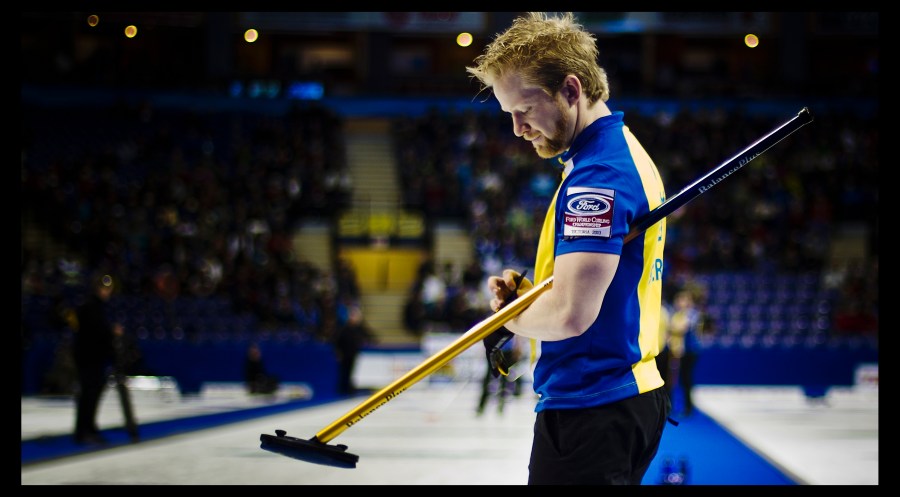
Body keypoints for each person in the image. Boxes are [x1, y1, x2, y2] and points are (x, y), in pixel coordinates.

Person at [467, 12, 672, 485]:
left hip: (593, 406)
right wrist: (532, 295)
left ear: (572, 90)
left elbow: (569, 317)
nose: (517, 128)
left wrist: (511, 315)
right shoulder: (607, 156)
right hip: (611, 399)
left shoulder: (599, 177)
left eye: (525, 110)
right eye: (508, 115)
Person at [72, 272, 123, 445]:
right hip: (89, 357)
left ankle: (89, 427)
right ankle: (83, 430)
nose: (106, 292)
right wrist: (111, 332)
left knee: (91, 394)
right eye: (103, 288)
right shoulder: (90, 306)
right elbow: (94, 332)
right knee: (88, 394)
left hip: (94, 357)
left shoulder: (97, 306)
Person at [666, 290, 703, 416]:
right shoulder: (677, 314)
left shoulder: (692, 314)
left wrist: (670, 328)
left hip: (690, 351)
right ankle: (672, 406)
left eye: (683, 300)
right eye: (678, 299)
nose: (679, 302)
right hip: (678, 350)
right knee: (675, 378)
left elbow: (683, 327)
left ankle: (688, 407)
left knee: (686, 378)